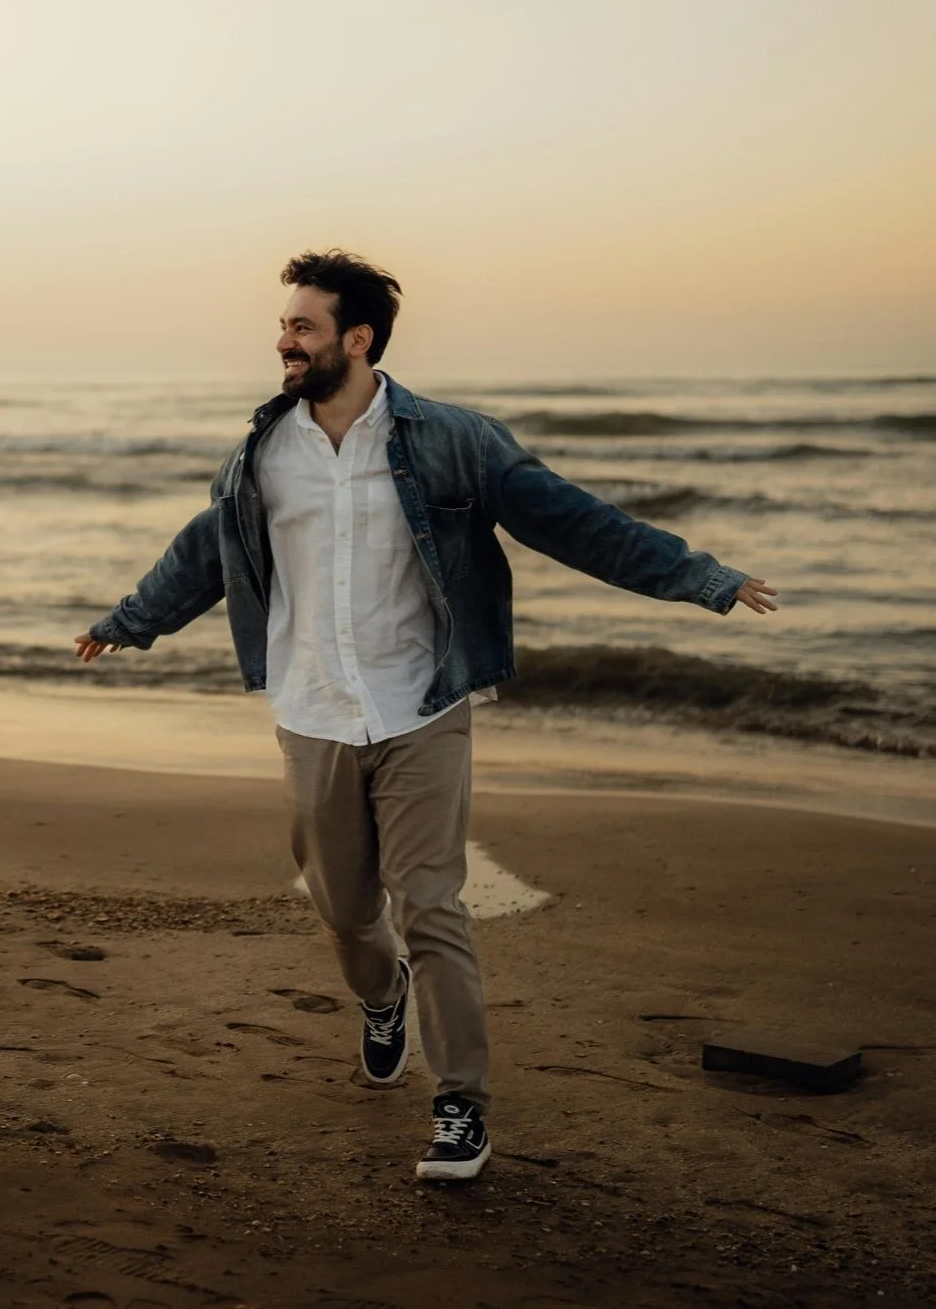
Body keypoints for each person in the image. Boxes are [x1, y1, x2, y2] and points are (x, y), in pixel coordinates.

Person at [75, 251, 776, 1181]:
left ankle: (459, 1105)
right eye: (285, 325)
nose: (283, 339)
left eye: (303, 326)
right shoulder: (260, 453)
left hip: (423, 706)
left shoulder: (455, 440)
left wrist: (702, 578)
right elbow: (207, 550)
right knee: (345, 911)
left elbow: (571, 519)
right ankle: (383, 995)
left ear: (356, 340)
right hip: (313, 709)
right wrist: (131, 621)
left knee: (433, 902)